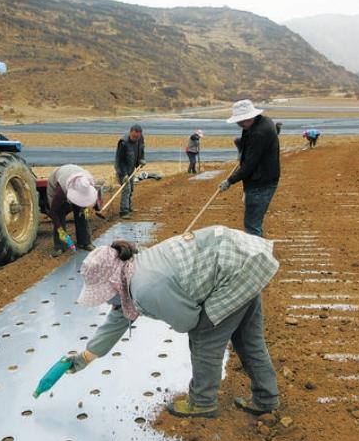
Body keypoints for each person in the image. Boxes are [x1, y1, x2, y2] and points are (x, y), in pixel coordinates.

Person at [61, 225, 280, 418]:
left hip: (233, 271)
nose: (107, 301)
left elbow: (188, 322)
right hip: (244, 261)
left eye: (104, 294)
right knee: (247, 338)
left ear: (112, 283)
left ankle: (202, 402)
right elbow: (119, 317)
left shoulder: (145, 288)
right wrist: (85, 357)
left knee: (204, 337)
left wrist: (154, 308)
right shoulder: (133, 267)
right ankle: (266, 398)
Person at [219, 99, 280, 237]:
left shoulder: (258, 133)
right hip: (264, 178)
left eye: (240, 121)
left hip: (260, 183)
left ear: (248, 117)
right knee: (254, 224)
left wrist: (229, 181)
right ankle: (258, 247)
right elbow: (269, 136)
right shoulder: (263, 121)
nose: (238, 124)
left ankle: (257, 250)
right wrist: (243, 146)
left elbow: (249, 166)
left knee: (252, 226)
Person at [47, 165, 99, 257]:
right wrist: (60, 230)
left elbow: (92, 199)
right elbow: (53, 212)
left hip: (75, 175)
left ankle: (85, 242)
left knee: (82, 213)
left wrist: (85, 209)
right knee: (59, 213)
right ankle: (60, 246)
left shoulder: (87, 184)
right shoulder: (60, 192)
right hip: (58, 180)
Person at [114, 124, 145, 219]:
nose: (135, 139)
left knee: (131, 188)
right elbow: (120, 160)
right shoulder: (123, 143)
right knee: (126, 188)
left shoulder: (140, 139)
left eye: (137, 137)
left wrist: (141, 159)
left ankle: (129, 206)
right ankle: (124, 211)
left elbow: (141, 150)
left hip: (131, 168)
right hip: (122, 168)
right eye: (134, 137)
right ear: (131, 132)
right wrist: (123, 174)